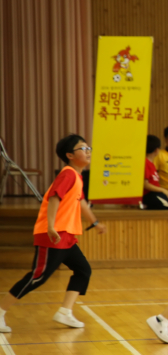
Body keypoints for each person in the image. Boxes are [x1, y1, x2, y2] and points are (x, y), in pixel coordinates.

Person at [0, 135, 106, 333]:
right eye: (82, 148)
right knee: (38, 277)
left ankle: (65, 312)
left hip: (67, 236)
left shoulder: (77, 176)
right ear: (70, 155)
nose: (88, 151)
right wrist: (51, 226)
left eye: (88, 147)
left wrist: (96, 222)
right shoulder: (68, 174)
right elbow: (54, 197)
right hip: (53, 235)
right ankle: (0, 311)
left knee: (83, 270)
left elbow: (81, 202)